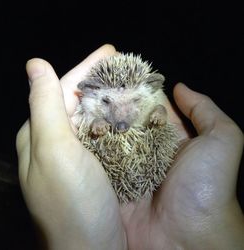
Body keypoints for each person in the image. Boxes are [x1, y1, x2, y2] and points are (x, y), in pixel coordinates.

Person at [16, 44, 244, 250]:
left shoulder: (154, 106)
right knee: (98, 135)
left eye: (135, 101)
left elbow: (158, 114)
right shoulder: (91, 112)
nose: (121, 119)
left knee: (158, 127)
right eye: (107, 102)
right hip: (111, 162)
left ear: (151, 89)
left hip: (150, 158)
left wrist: (159, 113)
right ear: (88, 91)